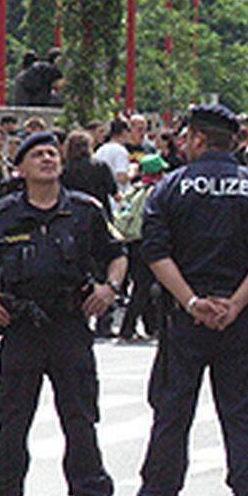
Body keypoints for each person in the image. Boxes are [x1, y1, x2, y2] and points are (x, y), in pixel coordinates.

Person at [135, 103, 248, 496]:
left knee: (171, 416)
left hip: (185, 322)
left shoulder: (169, 189)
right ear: (234, 141)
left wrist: (192, 301)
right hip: (239, 324)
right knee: (242, 417)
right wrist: (235, 304)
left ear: (197, 140)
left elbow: (155, 251)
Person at [0, 131, 127, 496]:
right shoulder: (4, 213)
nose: (47, 160)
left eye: (52, 153)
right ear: (21, 168)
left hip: (69, 326)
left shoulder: (85, 211)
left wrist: (109, 290)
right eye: (37, 155)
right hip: (21, 328)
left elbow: (117, 255)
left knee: (80, 419)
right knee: (12, 418)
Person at [114, 154, 169, 343]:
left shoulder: (135, 190)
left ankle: (151, 327)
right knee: (145, 288)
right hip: (149, 242)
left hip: (133, 243)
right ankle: (127, 329)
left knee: (142, 286)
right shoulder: (157, 191)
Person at [60, 130, 118, 219]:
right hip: (100, 214)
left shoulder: (64, 169)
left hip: (73, 216)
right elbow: (113, 190)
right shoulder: (101, 166)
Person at [94, 118, 132, 192]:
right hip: (117, 197)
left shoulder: (100, 149)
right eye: (128, 130)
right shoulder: (120, 151)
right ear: (124, 132)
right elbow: (121, 178)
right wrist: (133, 172)